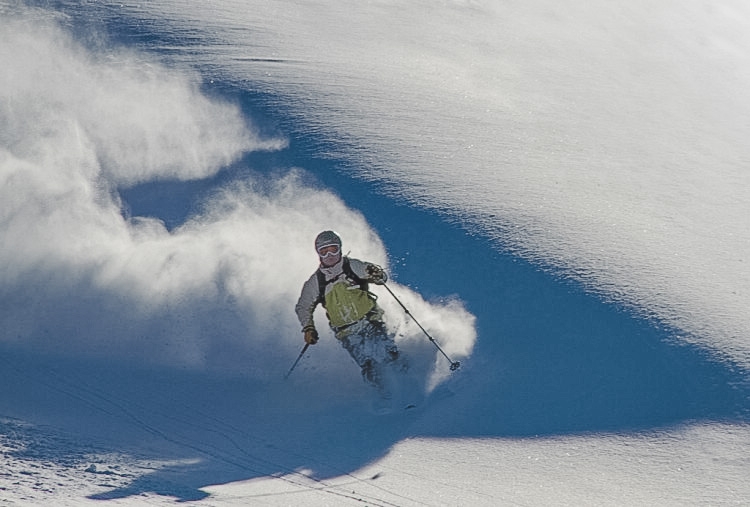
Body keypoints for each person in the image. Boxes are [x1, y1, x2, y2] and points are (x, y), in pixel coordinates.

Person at [295, 230, 402, 396]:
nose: (330, 255)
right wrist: (308, 327)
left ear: (340, 249)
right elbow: (303, 306)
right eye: (324, 251)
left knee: (386, 352)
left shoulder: (352, 266)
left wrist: (376, 274)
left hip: (369, 320)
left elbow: (380, 278)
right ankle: (385, 396)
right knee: (368, 364)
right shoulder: (315, 282)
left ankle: (406, 379)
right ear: (318, 254)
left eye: (333, 249)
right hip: (346, 331)